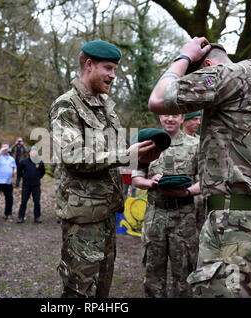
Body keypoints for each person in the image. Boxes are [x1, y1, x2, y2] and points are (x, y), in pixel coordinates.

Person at [148, 37, 251, 297]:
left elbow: (158, 98)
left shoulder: (227, 75)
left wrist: (183, 57)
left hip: (234, 225)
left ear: (209, 66)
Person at [49, 40, 161, 298]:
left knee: (102, 290)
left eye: (115, 69)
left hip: (108, 215)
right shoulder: (66, 106)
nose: (113, 75)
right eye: (108, 68)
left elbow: (115, 159)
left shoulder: (107, 110)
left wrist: (141, 159)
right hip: (83, 220)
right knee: (79, 292)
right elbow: (72, 155)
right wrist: (124, 154)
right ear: (89, 65)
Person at [132, 114, 199, 297]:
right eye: (165, 114)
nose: (170, 119)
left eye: (175, 115)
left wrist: (186, 192)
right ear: (160, 115)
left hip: (184, 217)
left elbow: (206, 181)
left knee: (185, 274)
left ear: (182, 117)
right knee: (153, 274)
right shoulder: (148, 143)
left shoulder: (196, 145)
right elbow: (136, 177)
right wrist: (150, 183)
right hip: (155, 216)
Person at [183, 110, 205, 232]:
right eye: (194, 119)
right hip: (184, 196)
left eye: (199, 119)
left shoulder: (202, 141)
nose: (198, 122)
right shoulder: (175, 141)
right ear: (184, 120)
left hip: (201, 196)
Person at [17, 146, 45, 223]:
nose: (34, 152)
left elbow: (43, 172)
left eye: (35, 151)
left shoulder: (40, 162)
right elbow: (19, 172)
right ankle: (21, 217)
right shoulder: (24, 162)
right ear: (29, 153)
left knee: (37, 202)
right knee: (23, 202)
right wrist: (25, 177)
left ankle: (37, 217)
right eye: (32, 151)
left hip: (36, 185)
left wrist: (37, 177)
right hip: (26, 185)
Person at [0, 143, 17, 221]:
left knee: (9, 198)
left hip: (8, 181)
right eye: (4, 147)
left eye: (7, 147)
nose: (5, 149)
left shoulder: (11, 158)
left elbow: (14, 167)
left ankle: (8, 214)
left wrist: (14, 171)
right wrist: (1, 150)